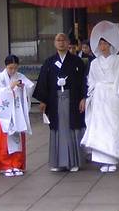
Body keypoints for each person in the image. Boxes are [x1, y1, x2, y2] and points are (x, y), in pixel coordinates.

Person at [81, 21, 119, 173]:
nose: (103, 47)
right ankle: (102, 160)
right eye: (101, 44)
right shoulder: (93, 63)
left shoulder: (118, 60)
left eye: (105, 43)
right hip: (99, 97)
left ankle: (112, 160)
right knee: (100, 127)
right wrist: (89, 96)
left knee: (112, 126)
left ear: (110, 45)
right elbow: (90, 81)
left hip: (113, 95)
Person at [33, 33, 86, 172]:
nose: (61, 42)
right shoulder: (49, 62)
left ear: (68, 43)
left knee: (72, 128)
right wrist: (43, 101)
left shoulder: (77, 62)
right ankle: (57, 162)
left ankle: (73, 162)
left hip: (73, 99)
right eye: (58, 40)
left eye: (63, 40)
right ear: (54, 43)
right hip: (55, 100)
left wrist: (84, 98)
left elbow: (83, 81)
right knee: (57, 129)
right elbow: (43, 82)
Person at [0, 55, 35, 177]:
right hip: (3, 113)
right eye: (10, 68)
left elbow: (30, 87)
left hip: (17, 112)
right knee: (4, 140)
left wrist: (23, 87)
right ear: (6, 66)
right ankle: (6, 165)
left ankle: (16, 164)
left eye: (15, 68)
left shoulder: (20, 77)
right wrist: (10, 87)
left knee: (17, 138)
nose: (13, 71)